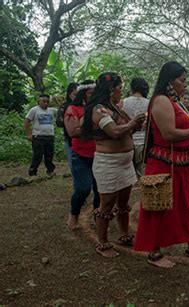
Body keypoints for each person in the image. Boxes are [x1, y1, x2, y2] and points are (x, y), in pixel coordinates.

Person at [134, 61, 189, 268]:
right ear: (170, 81)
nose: (185, 85)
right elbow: (169, 134)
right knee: (158, 205)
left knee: (182, 204)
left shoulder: (175, 102)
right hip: (164, 164)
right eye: (182, 81)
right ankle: (153, 251)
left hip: (179, 164)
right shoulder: (161, 101)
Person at [82, 72, 146, 257]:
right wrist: (133, 122)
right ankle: (102, 242)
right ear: (111, 89)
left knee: (124, 202)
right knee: (107, 204)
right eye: (119, 88)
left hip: (125, 163)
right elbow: (114, 131)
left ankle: (125, 234)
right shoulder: (99, 109)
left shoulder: (116, 109)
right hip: (108, 164)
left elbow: (127, 130)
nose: (121, 91)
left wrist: (135, 126)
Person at [64, 80, 99, 230]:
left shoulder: (99, 108)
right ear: (83, 94)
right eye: (90, 93)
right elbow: (73, 132)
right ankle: (74, 214)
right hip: (80, 156)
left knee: (100, 189)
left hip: (99, 154)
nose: (93, 95)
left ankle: (99, 217)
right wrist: (95, 129)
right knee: (83, 189)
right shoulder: (72, 109)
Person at [122, 77, 150, 178]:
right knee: (142, 172)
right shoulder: (150, 103)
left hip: (129, 141)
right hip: (145, 142)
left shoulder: (122, 103)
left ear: (132, 87)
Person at [24, 94, 58, 176]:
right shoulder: (34, 110)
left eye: (47, 102)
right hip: (38, 136)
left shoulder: (52, 110)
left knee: (49, 155)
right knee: (37, 155)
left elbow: (63, 111)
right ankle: (33, 172)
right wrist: (29, 134)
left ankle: (50, 171)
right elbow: (26, 121)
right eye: (44, 101)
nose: (46, 103)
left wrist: (57, 100)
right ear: (39, 101)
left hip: (50, 136)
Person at [57, 82, 79, 171]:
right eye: (75, 94)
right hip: (70, 140)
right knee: (74, 167)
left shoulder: (84, 105)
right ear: (70, 94)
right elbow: (59, 122)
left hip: (85, 141)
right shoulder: (65, 106)